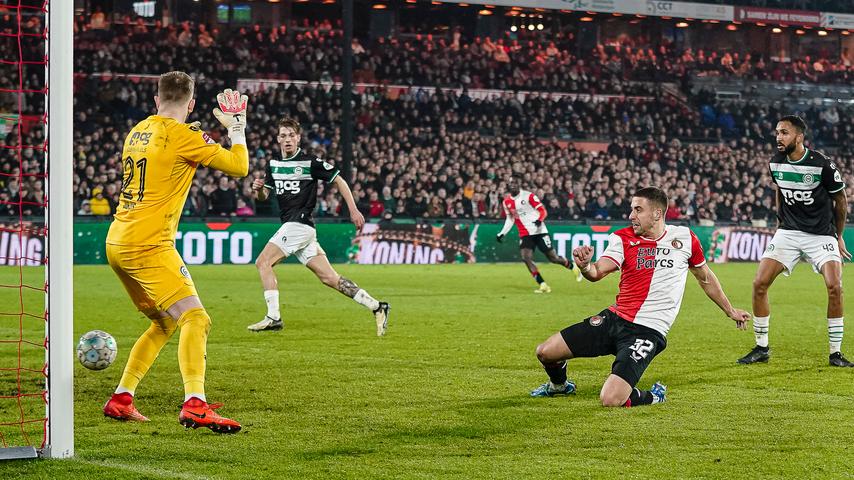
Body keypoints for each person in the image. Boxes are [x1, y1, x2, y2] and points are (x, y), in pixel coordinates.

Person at [102, 72, 249, 433]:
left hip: (117, 242)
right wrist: (236, 127)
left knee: (164, 322)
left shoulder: (137, 130)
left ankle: (122, 399)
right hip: (149, 244)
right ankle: (195, 404)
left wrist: (196, 138)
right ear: (192, 103)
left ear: (156, 99)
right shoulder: (186, 136)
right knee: (196, 319)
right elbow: (240, 167)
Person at [530, 187, 750, 406]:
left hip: (648, 330)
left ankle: (654, 396)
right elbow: (598, 272)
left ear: (657, 214)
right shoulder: (622, 238)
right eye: (631, 209)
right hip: (615, 319)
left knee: (611, 399)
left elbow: (705, 278)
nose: (631, 216)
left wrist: (730, 311)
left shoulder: (685, 239)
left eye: (638, 210)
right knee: (545, 352)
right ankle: (559, 386)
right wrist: (586, 266)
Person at [246, 117, 390, 336]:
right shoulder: (273, 166)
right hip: (298, 229)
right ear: (277, 139)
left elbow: (339, 179)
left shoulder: (310, 162)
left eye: (291, 135)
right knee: (330, 278)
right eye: (283, 135)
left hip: (299, 224)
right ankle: (377, 307)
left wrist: (353, 209)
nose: (287, 140)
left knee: (263, 262)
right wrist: (257, 190)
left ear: (298, 138)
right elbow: (264, 196)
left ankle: (273, 317)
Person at [738, 115, 854, 367]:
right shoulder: (775, 162)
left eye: (784, 133)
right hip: (789, 231)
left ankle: (835, 353)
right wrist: (781, 223)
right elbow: (779, 189)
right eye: (777, 132)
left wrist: (839, 236)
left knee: (835, 286)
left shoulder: (822, 164)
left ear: (799, 137)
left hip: (822, 233)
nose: (778, 137)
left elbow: (841, 201)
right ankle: (761, 348)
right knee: (759, 283)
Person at [496, 177, 582, 294]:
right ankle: (543, 285)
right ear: (508, 185)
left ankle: (573, 267)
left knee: (553, 258)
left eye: (515, 182)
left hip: (539, 231)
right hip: (525, 234)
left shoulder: (529, 196)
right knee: (526, 258)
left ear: (519, 184)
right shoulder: (506, 202)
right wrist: (502, 233)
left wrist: (539, 220)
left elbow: (543, 211)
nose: (513, 185)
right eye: (511, 183)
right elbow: (510, 219)